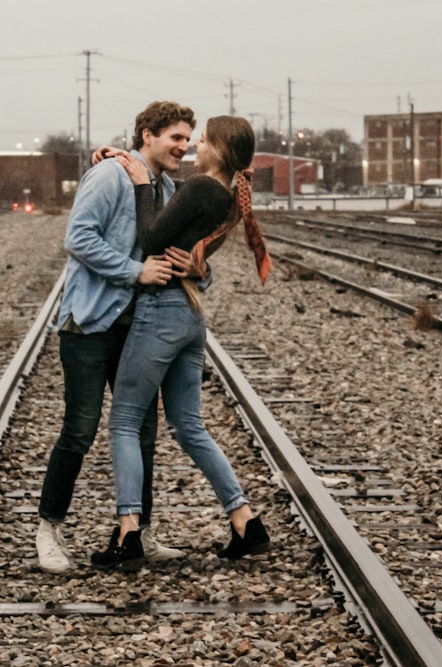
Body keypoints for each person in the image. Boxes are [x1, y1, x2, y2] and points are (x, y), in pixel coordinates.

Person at [90, 116, 273, 571]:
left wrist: (137, 182)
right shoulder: (227, 196)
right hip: (190, 314)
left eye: (205, 139)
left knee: (125, 420)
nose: (196, 144)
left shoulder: (199, 188)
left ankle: (128, 533)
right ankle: (245, 521)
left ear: (221, 151)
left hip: (161, 310)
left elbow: (150, 237)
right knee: (189, 425)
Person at [36, 101, 198, 574]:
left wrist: (194, 266)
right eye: (175, 137)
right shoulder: (109, 177)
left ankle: (138, 531)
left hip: (139, 328)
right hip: (89, 323)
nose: (184, 147)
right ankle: (48, 529)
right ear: (147, 135)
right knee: (80, 429)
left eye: (189, 139)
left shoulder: (166, 187)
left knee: (142, 431)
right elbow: (79, 238)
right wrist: (135, 271)